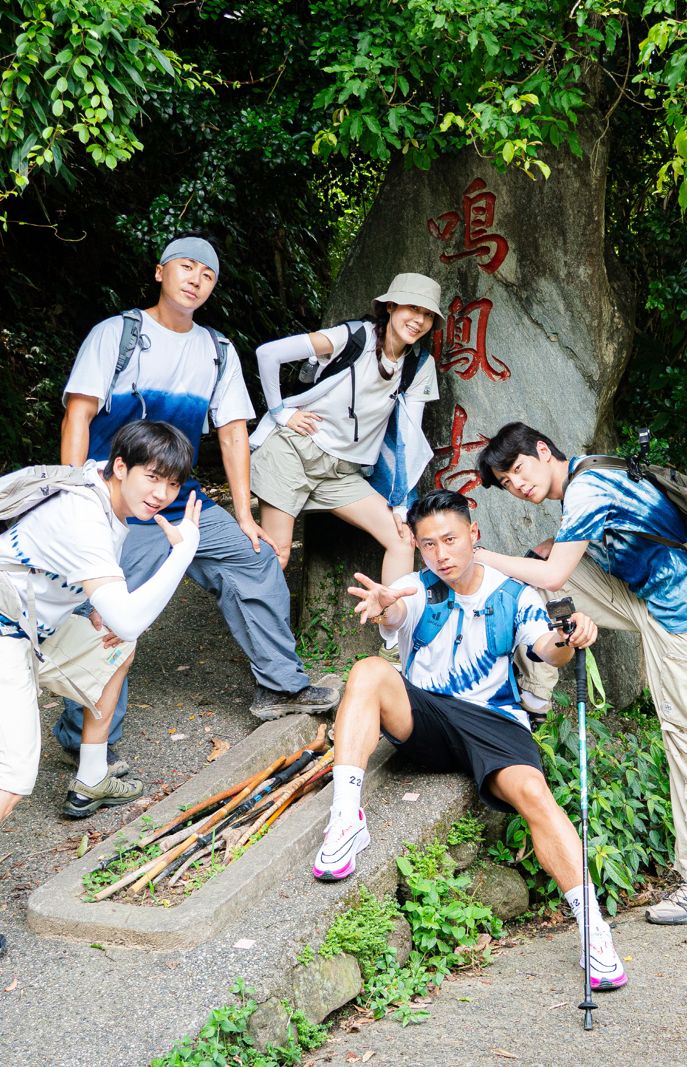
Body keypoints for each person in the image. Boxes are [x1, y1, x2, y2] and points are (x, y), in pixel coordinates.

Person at [0, 421, 201, 967]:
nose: (162, 494)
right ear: (120, 467)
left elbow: (107, 613)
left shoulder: (111, 504)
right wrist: (183, 552)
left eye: (173, 485)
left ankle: (91, 775)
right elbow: (130, 613)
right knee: (8, 776)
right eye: (152, 477)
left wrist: (104, 619)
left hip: (27, 630)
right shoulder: (84, 512)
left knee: (114, 649)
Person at [311, 489, 627, 992]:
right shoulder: (413, 588)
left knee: (535, 796)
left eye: (451, 539)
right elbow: (394, 618)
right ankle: (347, 819)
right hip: (429, 717)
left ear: (474, 535)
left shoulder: (513, 593)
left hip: (495, 722)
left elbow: (547, 651)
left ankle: (593, 929)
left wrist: (567, 638)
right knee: (370, 670)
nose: (442, 554)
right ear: (417, 546)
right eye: (429, 544)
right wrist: (385, 606)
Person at [53, 234, 336, 751]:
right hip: (114, 504)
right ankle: (85, 743)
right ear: (160, 272)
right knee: (105, 619)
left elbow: (232, 432)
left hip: (184, 503)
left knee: (254, 561)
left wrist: (246, 516)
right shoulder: (116, 335)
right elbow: (80, 413)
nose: (196, 280)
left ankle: (281, 687)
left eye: (207, 275)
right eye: (186, 268)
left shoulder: (217, 350)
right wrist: (73, 494)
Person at [475, 422, 687, 926]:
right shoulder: (587, 475)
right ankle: (534, 699)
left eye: (517, 469)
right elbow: (557, 565)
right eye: (507, 483)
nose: (517, 485)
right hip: (649, 601)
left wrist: (480, 556)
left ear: (542, 450)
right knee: (541, 559)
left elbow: (554, 575)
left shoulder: (588, 488)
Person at [248, 272, 442, 586]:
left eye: (428, 315)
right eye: (413, 308)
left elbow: (409, 434)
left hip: (342, 471)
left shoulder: (419, 365)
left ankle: (392, 626)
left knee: (403, 539)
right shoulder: (353, 337)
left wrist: (402, 502)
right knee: (277, 554)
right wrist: (280, 412)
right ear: (391, 306)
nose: (419, 320)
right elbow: (268, 355)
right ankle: (263, 632)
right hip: (293, 452)